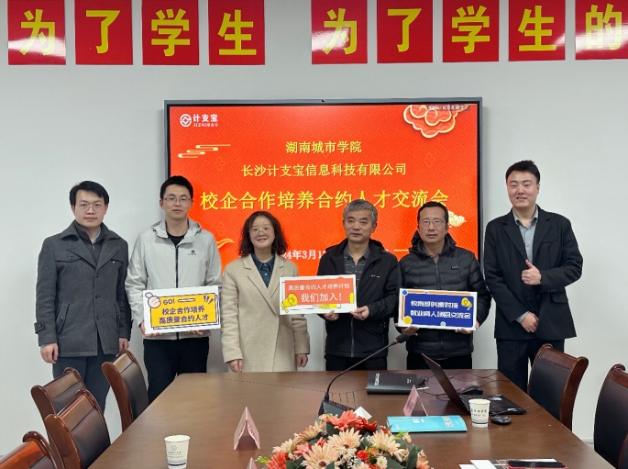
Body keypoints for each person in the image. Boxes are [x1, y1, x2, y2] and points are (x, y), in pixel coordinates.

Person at [484, 160, 583, 391]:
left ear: (537, 187)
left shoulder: (559, 224)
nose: (520, 190)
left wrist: (543, 278)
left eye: (526, 184)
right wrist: (521, 315)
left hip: (551, 322)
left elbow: (574, 266)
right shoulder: (495, 228)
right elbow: (492, 277)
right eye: (513, 184)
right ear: (507, 188)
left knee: (550, 394)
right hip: (512, 327)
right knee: (511, 395)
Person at [35, 181, 131, 411]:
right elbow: (45, 295)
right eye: (84, 204)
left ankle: (97, 439)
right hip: (68, 340)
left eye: (97, 205)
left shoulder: (119, 245)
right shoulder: (54, 245)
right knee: (68, 410)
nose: (90, 210)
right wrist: (47, 338)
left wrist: (123, 332)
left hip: (105, 341)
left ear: (105, 208)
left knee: (97, 407)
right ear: (73, 207)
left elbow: (122, 293)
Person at [126, 176, 222, 402]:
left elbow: (215, 284)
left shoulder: (206, 240)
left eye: (183, 198)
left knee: (195, 398)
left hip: (195, 338)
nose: (177, 203)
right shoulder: (146, 239)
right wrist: (143, 319)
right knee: (159, 399)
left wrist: (206, 319)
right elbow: (134, 283)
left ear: (191, 203)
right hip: (158, 339)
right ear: (162, 203)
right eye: (171, 198)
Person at [399, 201, 491, 370]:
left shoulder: (466, 258)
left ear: (447, 227)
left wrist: (475, 319)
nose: (431, 227)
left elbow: (482, 295)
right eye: (426, 222)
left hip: (458, 352)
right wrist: (402, 326)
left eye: (437, 221)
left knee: (459, 389)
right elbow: (396, 302)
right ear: (418, 228)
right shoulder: (406, 263)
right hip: (420, 353)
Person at [221, 211, 310, 372]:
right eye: (254, 229)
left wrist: (301, 347)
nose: (260, 232)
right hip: (247, 351)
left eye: (266, 228)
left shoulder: (290, 268)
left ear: (275, 233)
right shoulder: (233, 270)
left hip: (282, 349)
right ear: (248, 235)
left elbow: (297, 315)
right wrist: (232, 353)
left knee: (284, 389)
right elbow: (229, 315)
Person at [317, 200, 399, 371]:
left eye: (363, 222)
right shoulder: (329, 259)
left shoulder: (387, 261)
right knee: (335, 389)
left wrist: (371, 309)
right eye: (351, 220)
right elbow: (318, 295)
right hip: (337, 348)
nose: (356, 227)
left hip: (373, 350)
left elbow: (394, 299)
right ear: (343, 223)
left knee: (373, 390)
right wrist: (324, 312)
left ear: (374, 226)